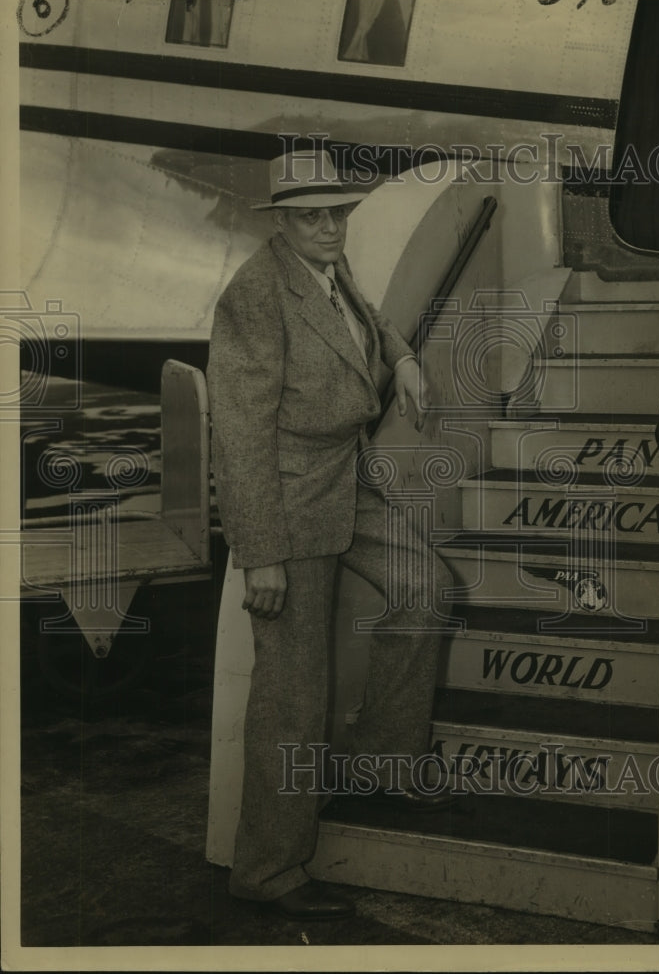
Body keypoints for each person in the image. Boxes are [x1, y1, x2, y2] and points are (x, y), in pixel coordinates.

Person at [206, 148, 454, 921]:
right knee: (292, 693)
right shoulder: (254, 292)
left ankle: (382, 761)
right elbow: (239, 430)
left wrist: (405, 357)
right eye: (311, 215)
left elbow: (365, 323)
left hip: (349, 478)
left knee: (427, 589)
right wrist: (261, 556)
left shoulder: (327, 266)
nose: (329, 228)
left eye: (337, 212)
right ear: (280, 220)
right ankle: (268, 870)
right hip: (289, 498)